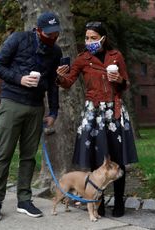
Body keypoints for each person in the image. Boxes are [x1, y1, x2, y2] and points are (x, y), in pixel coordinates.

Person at [56, 21, 138, 217]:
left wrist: (118, 80)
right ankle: (97, 203)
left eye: (93, 38)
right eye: (86, 38)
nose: (89, 41)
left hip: (114, 111)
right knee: (96, 158)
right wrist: (59, 77)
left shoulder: (115, 56)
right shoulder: (82, 59)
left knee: (117, 159)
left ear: (103, 38)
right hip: (93, 113)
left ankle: (119, 202)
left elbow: (126, 83)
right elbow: (68, 83)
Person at [0, 12, 62, 221]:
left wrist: (53, 112)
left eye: (56, 33)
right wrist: (20, 79)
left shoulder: (56, 51)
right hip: (12, 102)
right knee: (4, 153)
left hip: (36, 107)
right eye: (49, 34)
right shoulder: (18, 39)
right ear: (38, 30)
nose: (53, 37)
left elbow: (54, 84)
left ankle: (24, 200)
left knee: (28, 157)